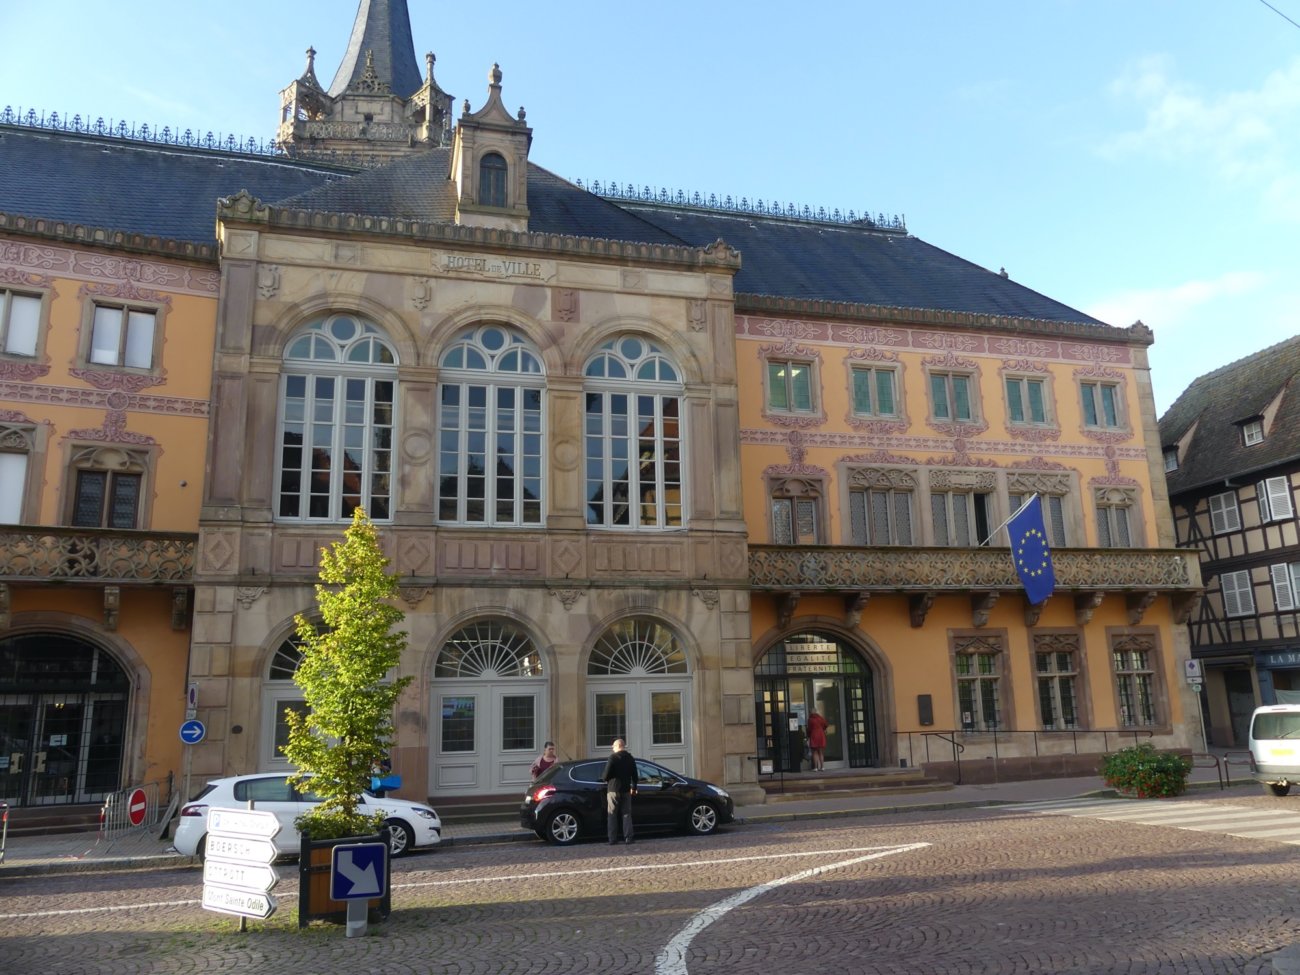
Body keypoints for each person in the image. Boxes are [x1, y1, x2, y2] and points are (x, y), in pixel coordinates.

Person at [601, 737, 638, 844]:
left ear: (618, 746)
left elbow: (605, 775)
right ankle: (628, 838)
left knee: (612, 814)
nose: (612, 748)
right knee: (626, 814)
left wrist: (604, 778)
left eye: (613, 746)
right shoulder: (630, 758)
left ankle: (612, 839)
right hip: (626, 789)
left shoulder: (612, 758)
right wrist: (634, 787)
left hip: (613, 789)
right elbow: (635, 775)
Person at [807, 707, 829, 772]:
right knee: (820, 752)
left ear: (810, 712)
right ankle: (822, 767)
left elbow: (809, 729)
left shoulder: (810, 720)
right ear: (816, 711)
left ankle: (816, 768)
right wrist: (823, 729)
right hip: (821, 735)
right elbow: (826, 724)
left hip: (814, 735)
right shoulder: (820, 718)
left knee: (814, 752)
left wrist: (808, 736)